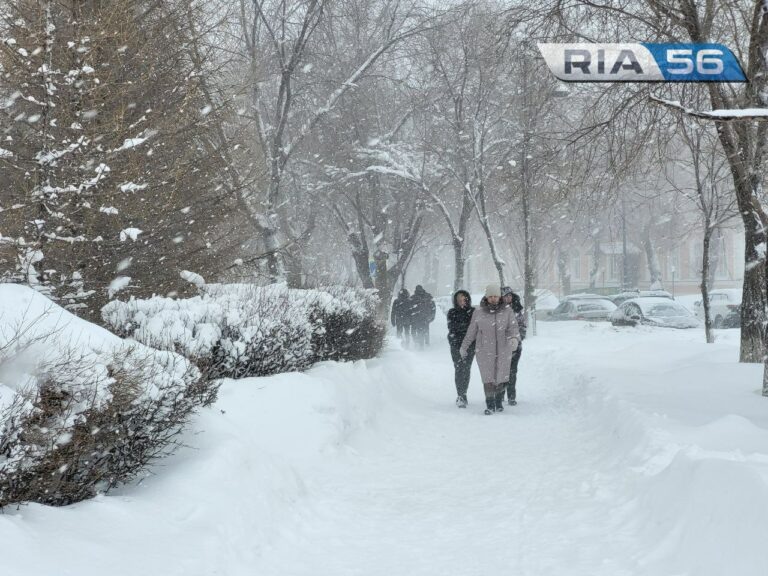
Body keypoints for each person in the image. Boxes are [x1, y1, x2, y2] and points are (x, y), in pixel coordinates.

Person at [460, 283, 519, 415]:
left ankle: (498, 402)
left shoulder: (507, 311)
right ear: (486, 297)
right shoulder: (479, 312)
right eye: (490, 296)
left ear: (499, 297)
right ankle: (490, 404)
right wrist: (464, 346)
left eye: (496, 296)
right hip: (484, 350)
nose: (493, 299)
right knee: (488, 378)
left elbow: (512, 328)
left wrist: (514, 338)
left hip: (504, 349)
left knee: (501, 376)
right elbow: (471, 332)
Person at [447, 290, 475, 408]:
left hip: (470, 345)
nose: (462, 301)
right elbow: (452, 328)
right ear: (455, 301)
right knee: (459, 369)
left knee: (466, 369)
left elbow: (475, 328)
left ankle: (464, 393)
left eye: (464, 299)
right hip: (456, 345)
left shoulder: (473, 312)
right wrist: (464, 328)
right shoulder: (452, 312)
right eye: (459, 299)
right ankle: (460, 395)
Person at [501, 286, 527, 406]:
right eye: (505, 296)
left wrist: (517, 338)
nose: (508, 297)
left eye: (510, 295)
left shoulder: (517, 310)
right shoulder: (497, 310)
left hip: (515, 346)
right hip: (500, 346)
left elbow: (522, 326)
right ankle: (500, 395)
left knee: (512, 371)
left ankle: (511, 396)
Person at [409, 285, 435, 350]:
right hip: (425, 317)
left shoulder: (413, 297)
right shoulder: (428, 296)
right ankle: (424, 343)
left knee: (418, 330)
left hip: (417, 317)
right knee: (424, 330)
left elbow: (409, 308)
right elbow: (433, 308)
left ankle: (420, 343)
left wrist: (411, 316)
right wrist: (432, 316)